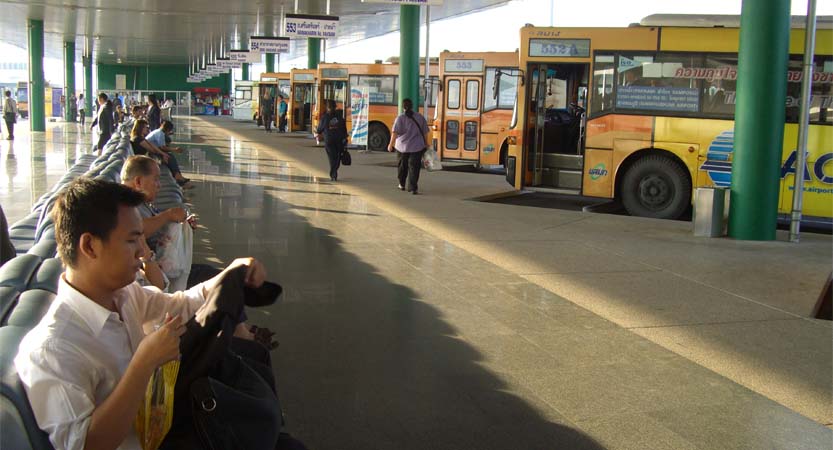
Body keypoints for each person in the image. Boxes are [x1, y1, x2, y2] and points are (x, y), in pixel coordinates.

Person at [13, 177, 282, 450]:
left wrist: (232, 273)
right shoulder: (52, 349)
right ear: (90, 246)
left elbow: (180, 304)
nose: (144, 252)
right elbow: (85, 444)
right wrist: (143, 364)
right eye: (132, 241)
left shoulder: (124, 294)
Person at [388, 98, 430, 194]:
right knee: (414, 168)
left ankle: (401, 184)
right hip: (417, 147)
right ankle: (413, 188)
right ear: (412, 106)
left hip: (402, 147)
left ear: (403, 107)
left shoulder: (400, 118)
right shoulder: (420, 117)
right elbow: (425, 132)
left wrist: (390, 144)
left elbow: (394, 133)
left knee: (402, 167)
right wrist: (426, 143)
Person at [142, 120, 191, 186]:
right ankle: (177, 176)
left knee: (169, 156)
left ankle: (178, 176)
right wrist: (175, 149)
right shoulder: (160, 133)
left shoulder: (157, 131)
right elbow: (162, 147)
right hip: (150, 153)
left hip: (151, 151)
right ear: (168, 129)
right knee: (169, 157)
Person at [314, 100, 348, 182]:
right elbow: (344, 130)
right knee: (337, 157)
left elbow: (319, 129)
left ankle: (333, 174)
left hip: (329, 141)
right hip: (339, 140)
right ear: (335, 107)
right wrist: (345, 138)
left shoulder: (325, 117)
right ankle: (334, 172)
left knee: (332, 158)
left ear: (327, 107)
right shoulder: (340, 117)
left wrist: (316, 131)